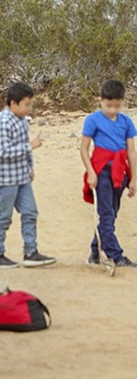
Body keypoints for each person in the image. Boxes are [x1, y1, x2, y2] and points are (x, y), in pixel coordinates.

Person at [0, 82, 56, 268]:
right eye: (26, 104)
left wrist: (29, 167)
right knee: (4, 216)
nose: (29, 108)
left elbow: (24, 148)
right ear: (13, 104)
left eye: (30, 104)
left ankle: (31, 252)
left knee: (30, 212)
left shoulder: (21, 120)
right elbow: (3, 151)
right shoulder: (2, 122)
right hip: (5, 179)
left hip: (22, 177)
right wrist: (30, 146)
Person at [81, 79, 137, 267]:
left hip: (120, 172)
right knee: (105, 214)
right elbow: (84, 149)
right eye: (109, 105)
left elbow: (131, 151)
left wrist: (133, 178)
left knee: (111, 214)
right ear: (100, 100)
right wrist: (91, 172)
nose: (113, 110)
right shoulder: (93, 120)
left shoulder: (126, 122)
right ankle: (115, 255)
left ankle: (95, 252)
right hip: (102, 171)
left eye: (117, 106)